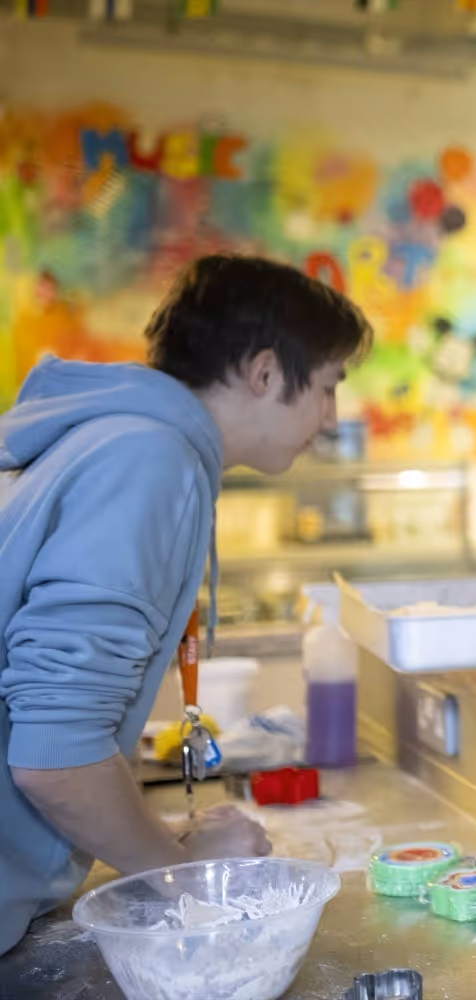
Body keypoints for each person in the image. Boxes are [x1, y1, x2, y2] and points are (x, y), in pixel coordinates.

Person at [0, 255, 372, 955]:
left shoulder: (119, 441)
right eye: (327, 389)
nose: (330, 419)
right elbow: (56, 758)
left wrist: (163, 843)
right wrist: (183, 877)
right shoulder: (149, 460)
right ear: (265, 373)